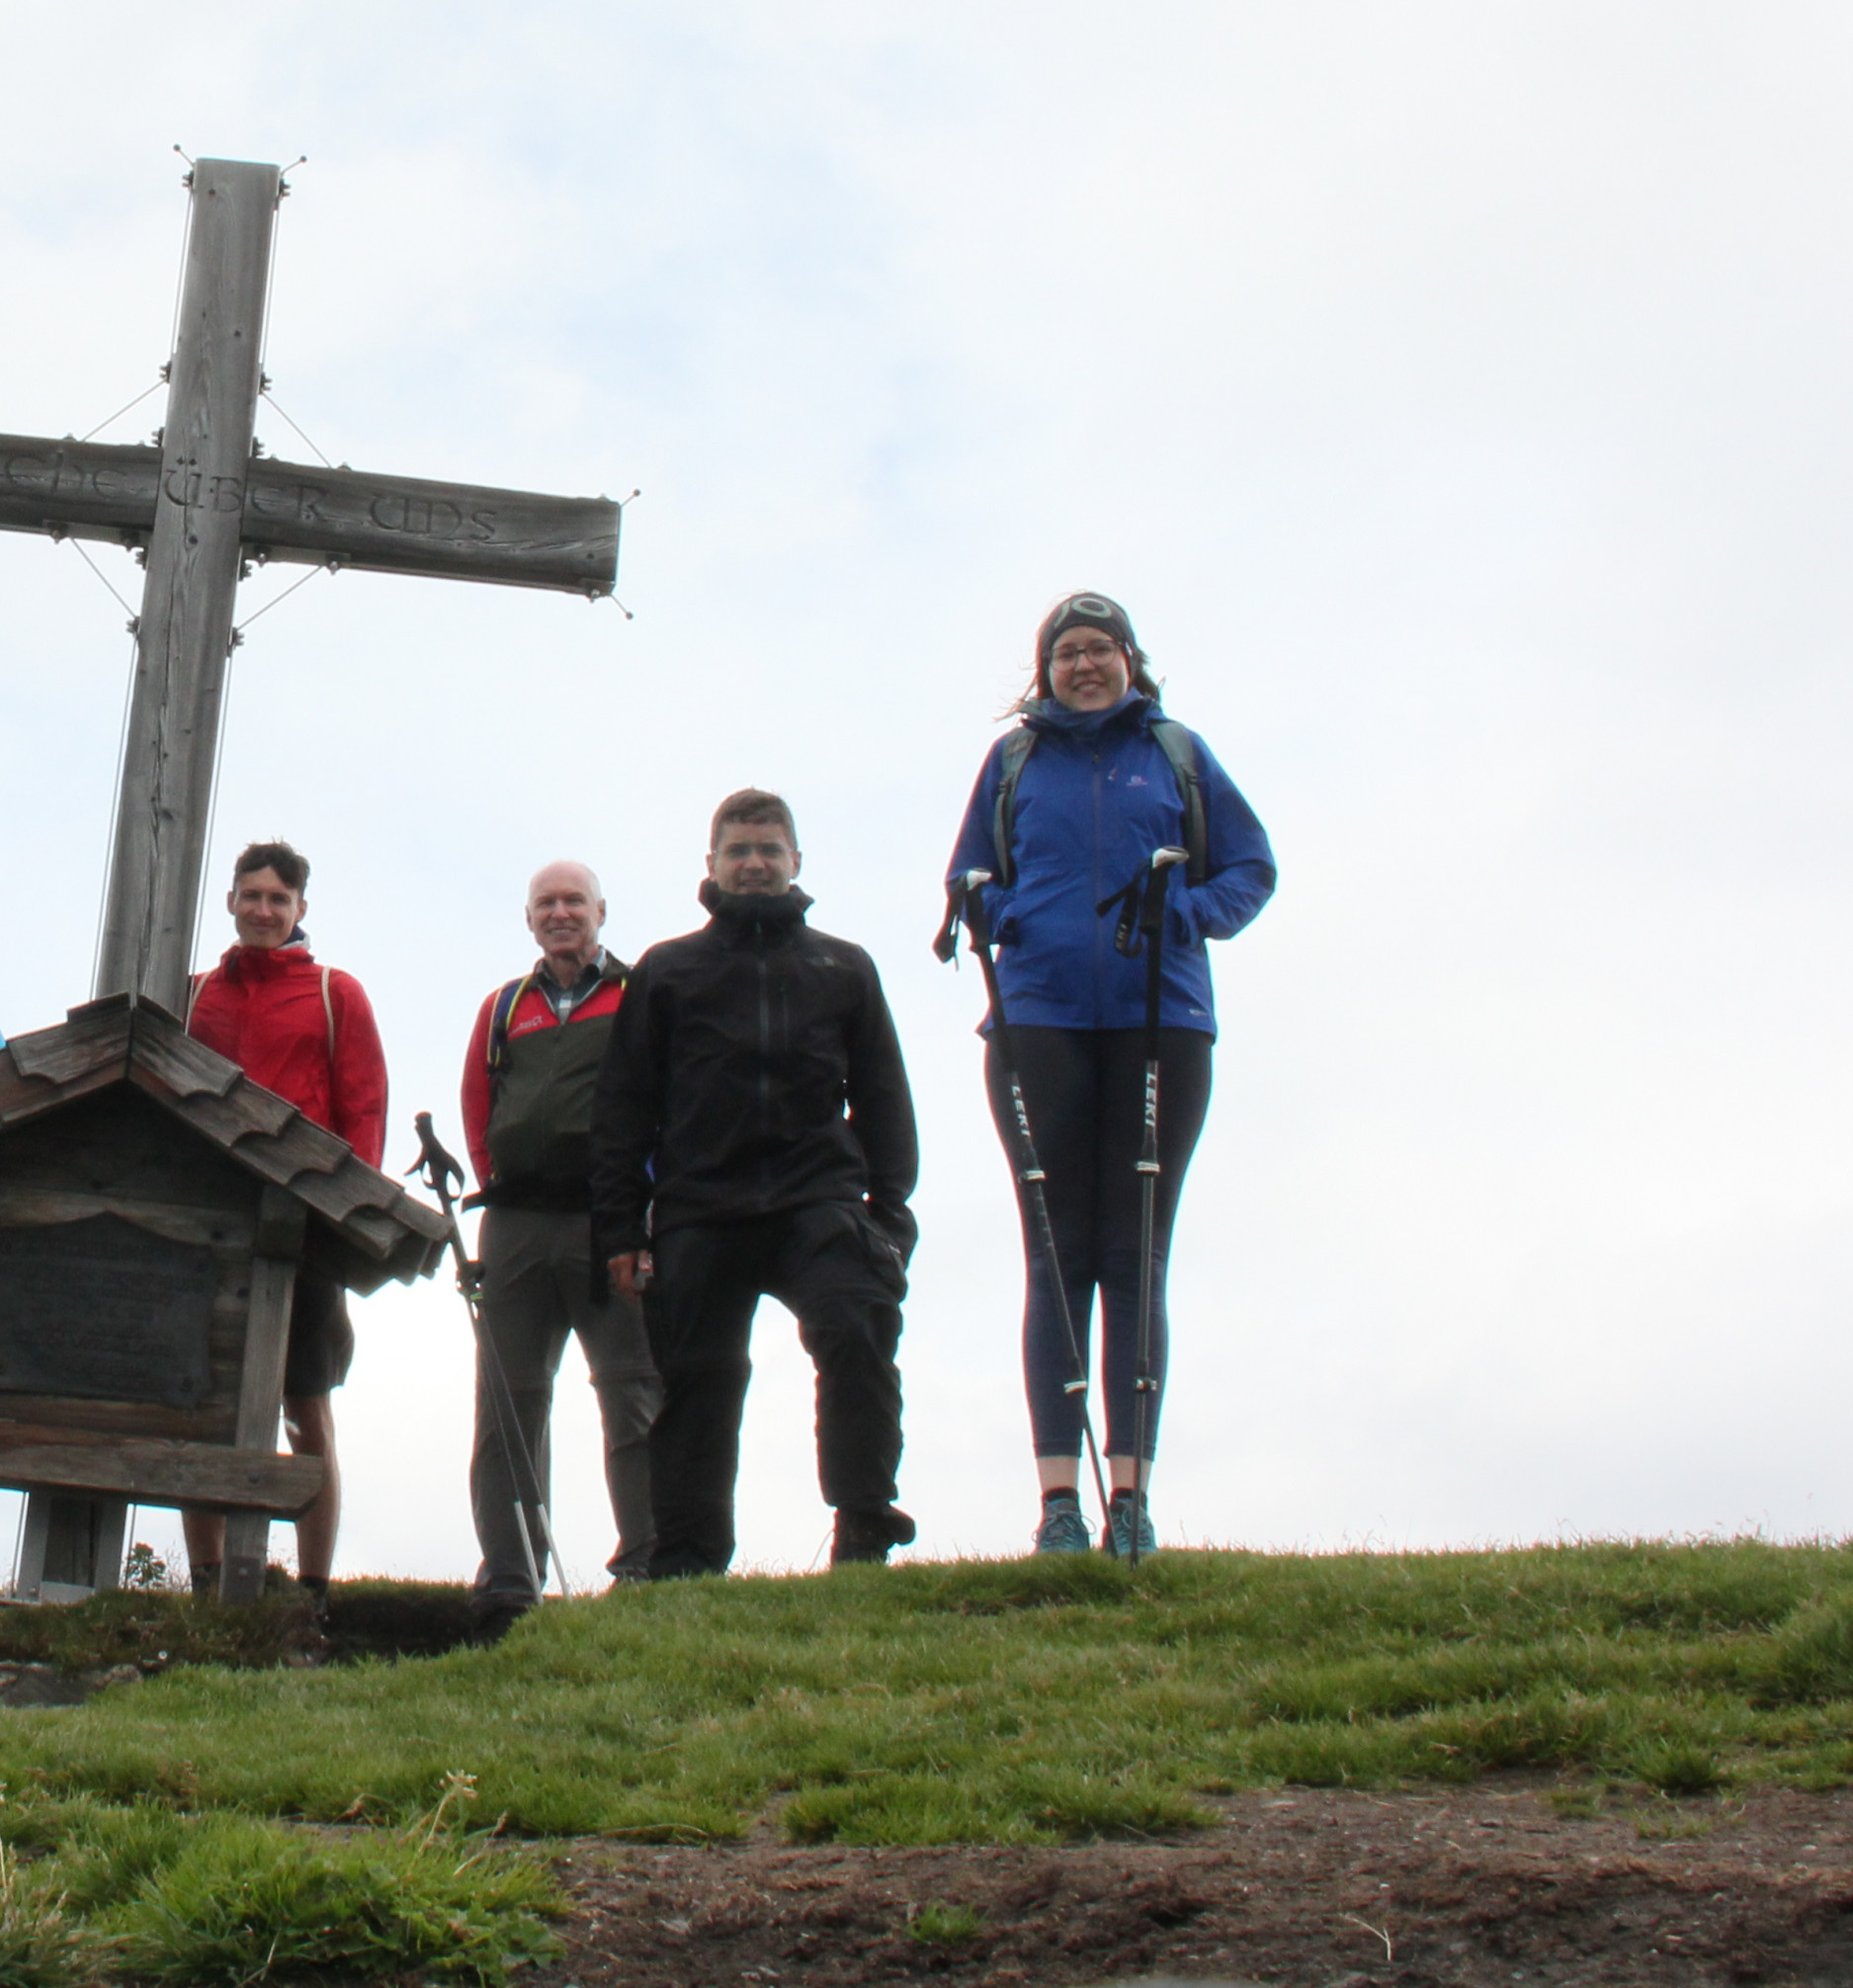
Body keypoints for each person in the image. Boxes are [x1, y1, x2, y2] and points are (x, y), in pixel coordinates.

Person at [944, 592, 1276, 1561]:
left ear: (1131, 660)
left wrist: (1193, 914)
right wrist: (996, 911)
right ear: (1044, 670)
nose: (1084, 666)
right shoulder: (1012, 762)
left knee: (1135, 1251)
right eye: (1067, 653)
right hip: (1037, 1018)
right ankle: (1057, 1502)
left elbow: (1252, 866)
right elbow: (966, 871)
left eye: (1100, 650)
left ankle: (1128, 1497)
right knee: (1055, 1252)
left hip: (1158, 1019)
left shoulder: (1175, 752)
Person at [594, 789, 919, 1576]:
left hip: (821, 1201)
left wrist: (891, 1221)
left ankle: (865, 1524)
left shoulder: (843, 965)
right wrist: (621, 1232)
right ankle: (691, 1562)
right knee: (699, 1382)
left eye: (769, 849)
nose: (754, 863)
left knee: (857, 1333)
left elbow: (884, 1099)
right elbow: (625, 1108)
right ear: (710, 865)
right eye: (738, 850)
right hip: (700, 1207)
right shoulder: (667, 971)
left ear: (796, 861)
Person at [455, 860, 660, 1626]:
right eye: (547, 902)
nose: (561, 912)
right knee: (507, 1404)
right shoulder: (505, 1006)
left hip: (611, 1221)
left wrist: (647, 1216)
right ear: (530, 917)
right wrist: (495, 1177)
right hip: (513, 1225)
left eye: (575, 900)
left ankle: (646, 1563)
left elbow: (664, 1103)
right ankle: (510, 1578)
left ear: (602, 910)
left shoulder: (640, 995)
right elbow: (479, 1102)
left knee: (633, 1392)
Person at [179, 840, 386, 1598]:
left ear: (301, 910)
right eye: (252, 895)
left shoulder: (337, 994)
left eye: (280, 899)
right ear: (230, 901)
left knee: (306, 1408)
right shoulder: (194, 992)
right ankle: (208, 1581)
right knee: (202, 1407)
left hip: (306, 1232)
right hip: (205, 1229)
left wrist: (346, 1219)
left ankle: (311, 1589)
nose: (265, 910)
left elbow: (364, 1111)